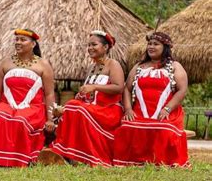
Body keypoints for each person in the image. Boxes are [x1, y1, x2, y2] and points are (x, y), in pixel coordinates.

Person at [43, 30, 124, 167]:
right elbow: (84, 96)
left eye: (94, 45)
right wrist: (62, 110)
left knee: (77, 108)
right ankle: (66, 153)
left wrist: (95, 87)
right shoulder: (91, 68)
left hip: (108, 110)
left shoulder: (113, 64)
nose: (90, 48)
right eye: (88, 45)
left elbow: (119, 87)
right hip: (91, 108)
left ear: (105, 47)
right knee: (71, 106)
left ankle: (71, 155)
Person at [0, 29, 55, 167]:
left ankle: (15, 160)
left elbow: (49, 94)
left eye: (22, 40)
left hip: (32, 108)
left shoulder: (43, 65)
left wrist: (50, 119)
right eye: (16, 39)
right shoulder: (6, 63)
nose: (18, 42)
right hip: (6, 105)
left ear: (33, 44)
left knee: (20, 121)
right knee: (0, 119)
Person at [113, 32, 189, 167]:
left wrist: (167, 109)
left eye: (156, 44)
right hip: (139, 113)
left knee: (164, 129)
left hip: (166, 113)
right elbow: (126, 88)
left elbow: (182, 90)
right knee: (128, 127)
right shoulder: (139, 67)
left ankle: (160, 162)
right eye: (149, 44)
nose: (151, 47)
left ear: (165, 47)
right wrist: (128, 109)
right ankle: (135, 161)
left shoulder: (175, 66)